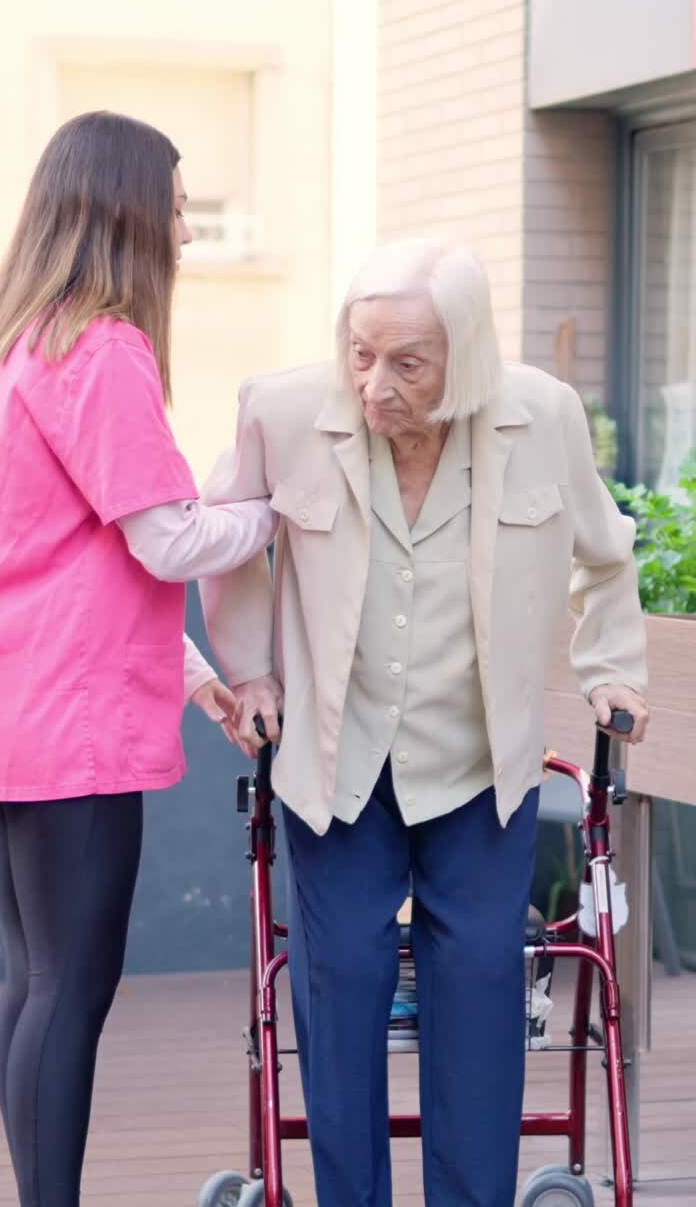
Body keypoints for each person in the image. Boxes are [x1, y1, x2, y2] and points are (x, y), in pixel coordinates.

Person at [199, 238, 649, 1207]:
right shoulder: (280, 409)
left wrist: (613, 672)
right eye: (361, 353)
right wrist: (253, 672)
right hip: (336, 758)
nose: (375, 383)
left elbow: (606, 556)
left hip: (482, 761)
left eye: (408, 361)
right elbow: (228, 542)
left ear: (470, 355)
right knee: (342, 984)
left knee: (483, 990)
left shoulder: (543, 416)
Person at [0, 110, 276, 1207]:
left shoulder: (8, 351)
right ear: (128, 211)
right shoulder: (100, 349)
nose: (188, 234)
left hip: (9, 711)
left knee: (32, 984)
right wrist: (278, 511)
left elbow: (82, 554)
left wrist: (198, 679)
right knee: (71, 989)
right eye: (180, 207)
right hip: (76, 725)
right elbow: (169, 536)